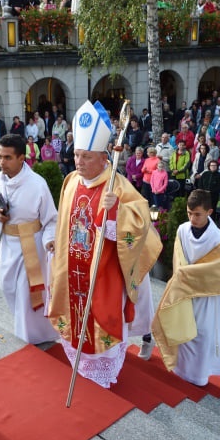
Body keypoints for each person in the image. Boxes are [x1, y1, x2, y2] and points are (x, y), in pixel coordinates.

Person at [47, 100, 161, 388]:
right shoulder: (71, 181)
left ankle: (102, 371)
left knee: (101, 321)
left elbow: (141, 222)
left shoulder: (117, 186)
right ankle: (80, 362)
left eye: (86, 157)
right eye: (76, 155)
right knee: (75, 323)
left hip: (104, 274)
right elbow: (65, 224)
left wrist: (117, 211)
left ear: (102, 157)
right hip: (74, 271)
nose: (78, 163)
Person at [150, 189, 220, 386]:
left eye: (197, 214)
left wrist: (184, 275)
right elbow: (178, 257)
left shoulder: (217, 237)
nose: (192, 218)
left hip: (206, 294)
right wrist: (181, 277)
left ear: (209, 212)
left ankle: (199, 376)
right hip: (184, 291)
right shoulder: (182, 230)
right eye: (189, 213)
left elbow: (218, 270)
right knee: (182, 329)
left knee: (202, 334)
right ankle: (181, 369)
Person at [0, 134, 58, 344]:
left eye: (7, 157)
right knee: (7, 288)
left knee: (28, 296)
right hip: (8, 245)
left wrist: (48, 240)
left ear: (21, 158)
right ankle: (30, 333)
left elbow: (51, 219)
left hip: (32, 246)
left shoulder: (37, 184)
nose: (1, 162)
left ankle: (30, 339)